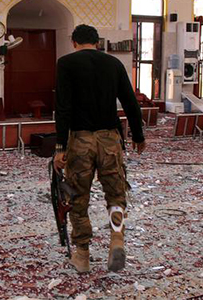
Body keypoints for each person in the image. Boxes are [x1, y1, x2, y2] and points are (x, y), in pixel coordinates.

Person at [54, 24, 146, 273]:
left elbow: (63, 108)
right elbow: (130, 102)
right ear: (98, 42)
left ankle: (82, 255)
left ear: (74, 42)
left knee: (76, 196)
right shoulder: (113, 64)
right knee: (115, 194)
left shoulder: (66, 63)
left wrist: (60, 147)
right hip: (110, 140)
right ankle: (117, 238)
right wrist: (138, 135)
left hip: (81, 140)